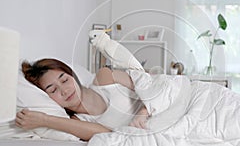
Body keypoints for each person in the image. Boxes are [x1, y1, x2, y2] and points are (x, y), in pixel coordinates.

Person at [15, 58, 150, 141]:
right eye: (53, 90)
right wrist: (43, 120)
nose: (65, 90)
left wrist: (144, 111)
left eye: (64, 80)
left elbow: (149, 85)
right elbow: (108, 134)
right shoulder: (78, 122)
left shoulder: (105, 77)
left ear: (72, 75)